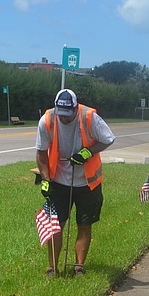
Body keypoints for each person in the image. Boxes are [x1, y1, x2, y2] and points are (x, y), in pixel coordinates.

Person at [35, 89, 115, 277]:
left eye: (68, 114)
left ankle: (79, 266)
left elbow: (108, 139)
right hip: (59, 181)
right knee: (56, 225)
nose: (64, 118)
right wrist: (45, 180)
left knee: (84, 225)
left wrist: (87, 152)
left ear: (75, 107)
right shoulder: (47, 120)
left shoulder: (89, 117)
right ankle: (52, 268)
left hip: (88, 183)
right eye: (61, 114)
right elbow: (41, 153)